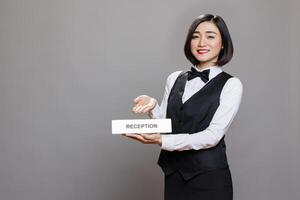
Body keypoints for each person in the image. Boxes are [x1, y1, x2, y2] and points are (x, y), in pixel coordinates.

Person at [124, 14, 243, 200]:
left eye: (210, 36)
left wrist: (163, 141)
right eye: (196, 36)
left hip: (210, 179)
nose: (202, 42)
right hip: (174, 176)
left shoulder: (232, 84)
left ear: (223, 44)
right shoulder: (174, 78)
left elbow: (213, 136)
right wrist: (153, 106)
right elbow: (167, 125)